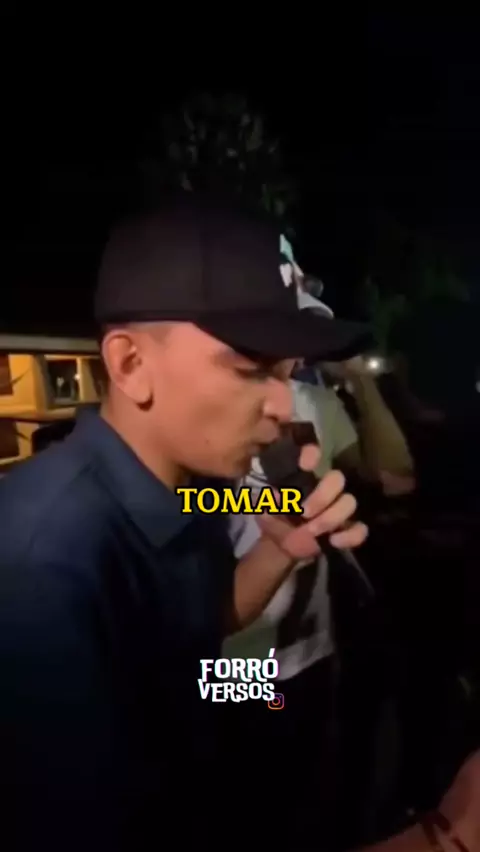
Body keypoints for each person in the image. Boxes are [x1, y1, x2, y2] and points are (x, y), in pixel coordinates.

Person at [0, 193, 368, 851]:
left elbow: (201, 626)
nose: (285, 406)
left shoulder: (191, 487)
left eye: (288, 373)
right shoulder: (42, 565)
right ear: (130, 364)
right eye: (251, 369)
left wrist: (286, 547)